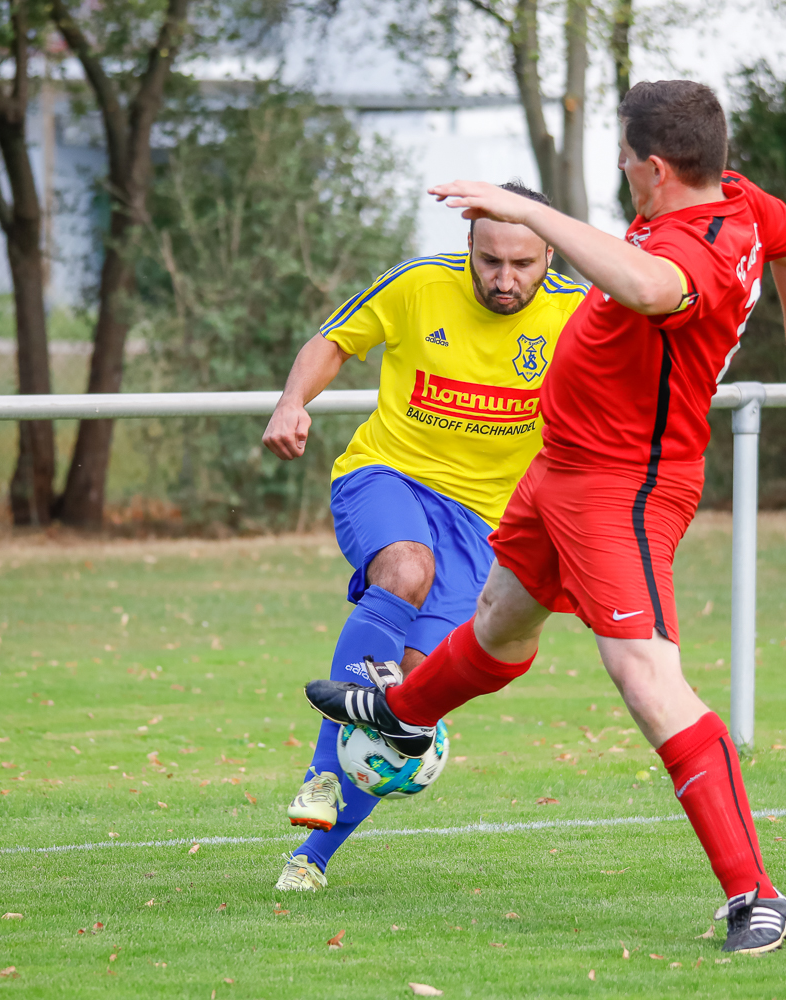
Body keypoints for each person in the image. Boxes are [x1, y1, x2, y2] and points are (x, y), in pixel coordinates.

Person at [304, 80, 786, 954]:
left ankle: (759, 896)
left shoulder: (695, 256)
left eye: (629, 161)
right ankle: (406, 714)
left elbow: (648, 285)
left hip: (622, 487)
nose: (625, 173)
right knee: (498, 624)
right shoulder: (742, 201)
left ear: (658, 168)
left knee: (645, 676)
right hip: (560, 471)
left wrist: (534, 213)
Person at [261, 181, 586, 892]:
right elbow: (333, 340)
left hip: (485, 529)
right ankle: (321, 774)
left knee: (408, 703)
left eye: (523, 264)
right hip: (389, 478)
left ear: (549, 252)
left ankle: (310, 859)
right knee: (406, 569)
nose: (505, 279)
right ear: (469, 244)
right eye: (490, 261)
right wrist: (292, 402)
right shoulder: (417, 284)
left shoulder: (579, 316)